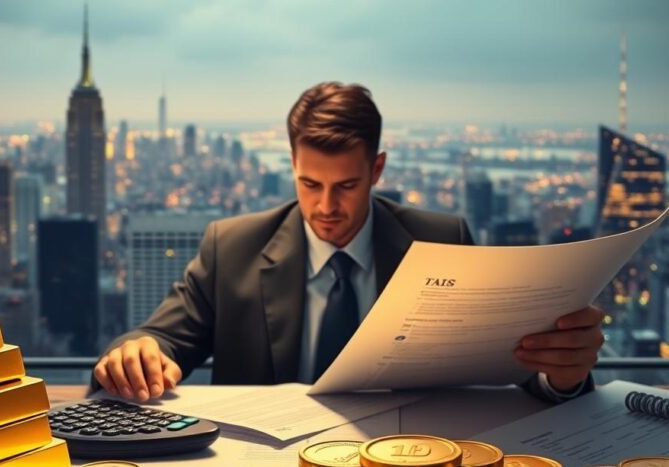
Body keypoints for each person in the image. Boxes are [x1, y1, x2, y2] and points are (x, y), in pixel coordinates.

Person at [94, 82, 603, 403]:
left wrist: (564, 375)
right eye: (309, 184)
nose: (325, 207)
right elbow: (157, 339)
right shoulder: (234, 248)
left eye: (347, 185)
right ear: (292, 168)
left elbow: (513, 372)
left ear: (377, 170)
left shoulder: (442, 241)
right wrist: (131, 355)